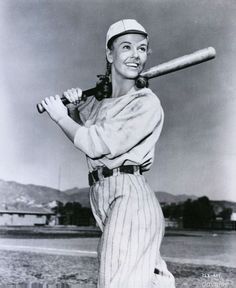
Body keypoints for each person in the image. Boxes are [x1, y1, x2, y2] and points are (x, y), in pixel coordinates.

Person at [41, 19, 175, 288]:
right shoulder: (101, 104)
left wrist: (59, 116)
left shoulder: (145, 102)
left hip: (130, 199)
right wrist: (75, 109)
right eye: (126, 47)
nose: (136, 55)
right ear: (109, 54)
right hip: (106, 198)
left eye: (142, 48)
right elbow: (85, 132)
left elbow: (93, 143)